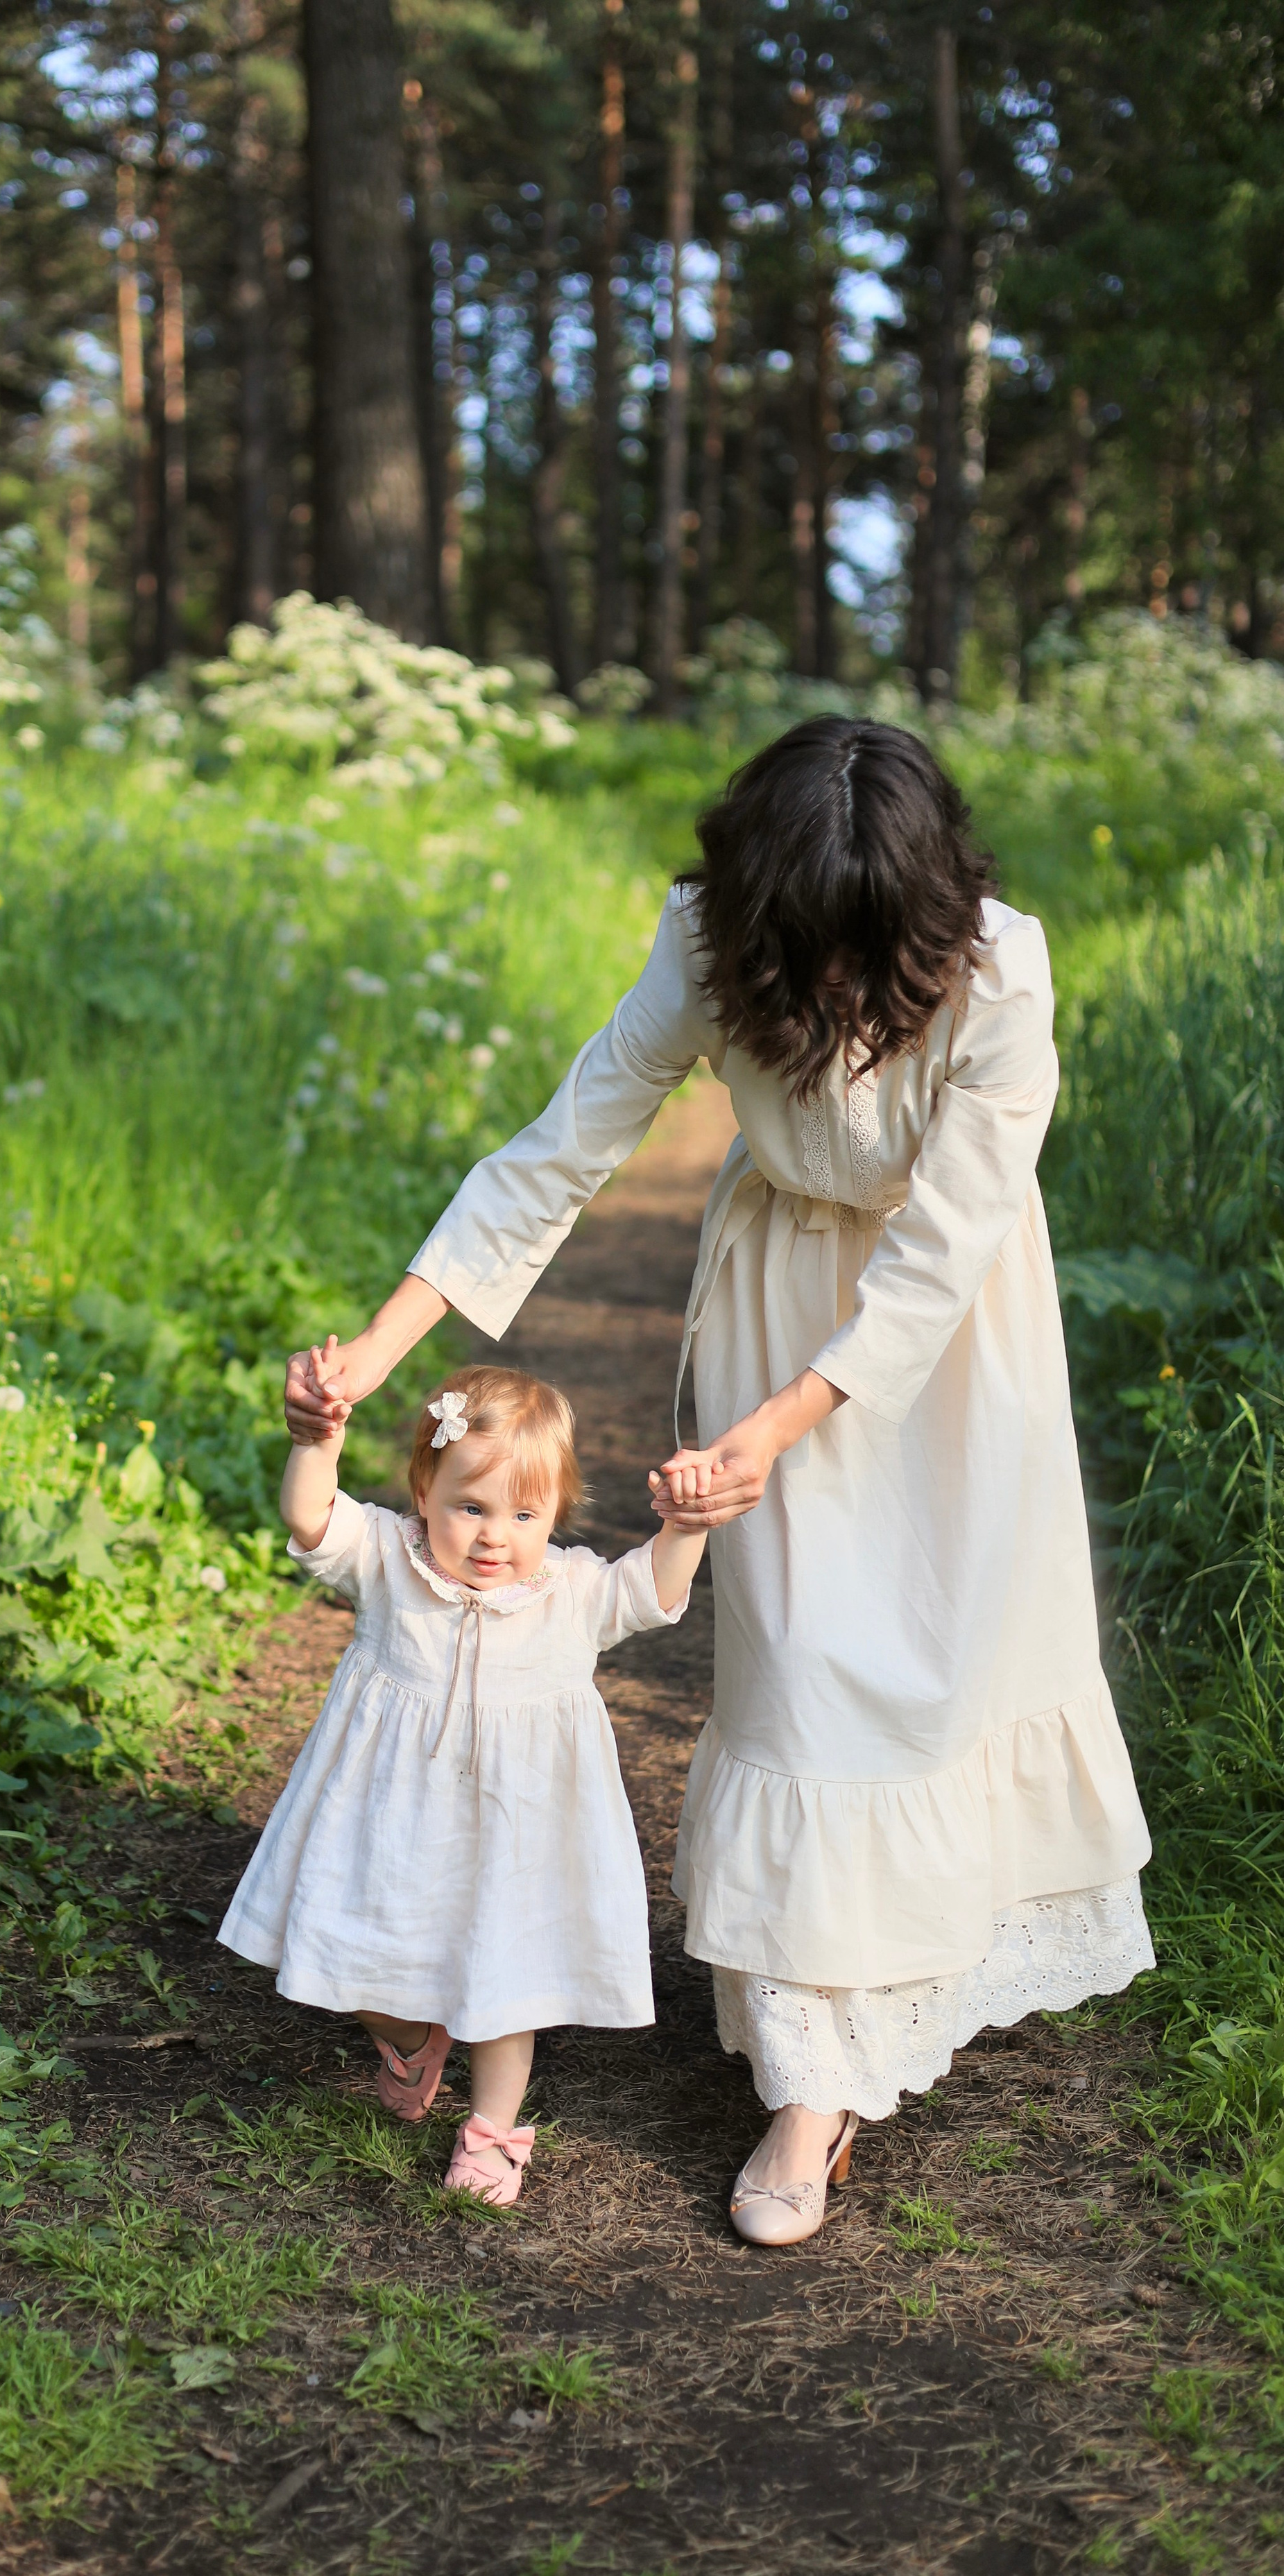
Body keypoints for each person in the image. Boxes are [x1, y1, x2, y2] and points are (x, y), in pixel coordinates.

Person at [284, 716, 1154, 2247]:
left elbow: (946, 1244)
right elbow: (555, 1153)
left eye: (855, 950)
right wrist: (379, 1340)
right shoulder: (708, 939)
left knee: (935, 1662)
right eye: (799, 949)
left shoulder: (1000, 973)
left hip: (946, 1343)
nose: (824, 985)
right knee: (803, 1670)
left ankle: (890, 1979)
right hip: (772, 1307)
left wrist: (778, 1426)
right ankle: (808, 2083)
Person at [219, 1360, 708, 2205]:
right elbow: (309, 1518)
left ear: (555, 1511)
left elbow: (655, 1591)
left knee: (503, 1975)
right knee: (363, 1946)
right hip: (392, 1818)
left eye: (525, 1514)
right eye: (470, 1508)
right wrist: (316, 1441)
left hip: (514, 1833)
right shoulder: (387, 1559)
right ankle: (410, 2037)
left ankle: (491, 2130)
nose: (495, 1537)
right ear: (423, 1489)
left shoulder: (570, 1593)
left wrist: (685, 1526)